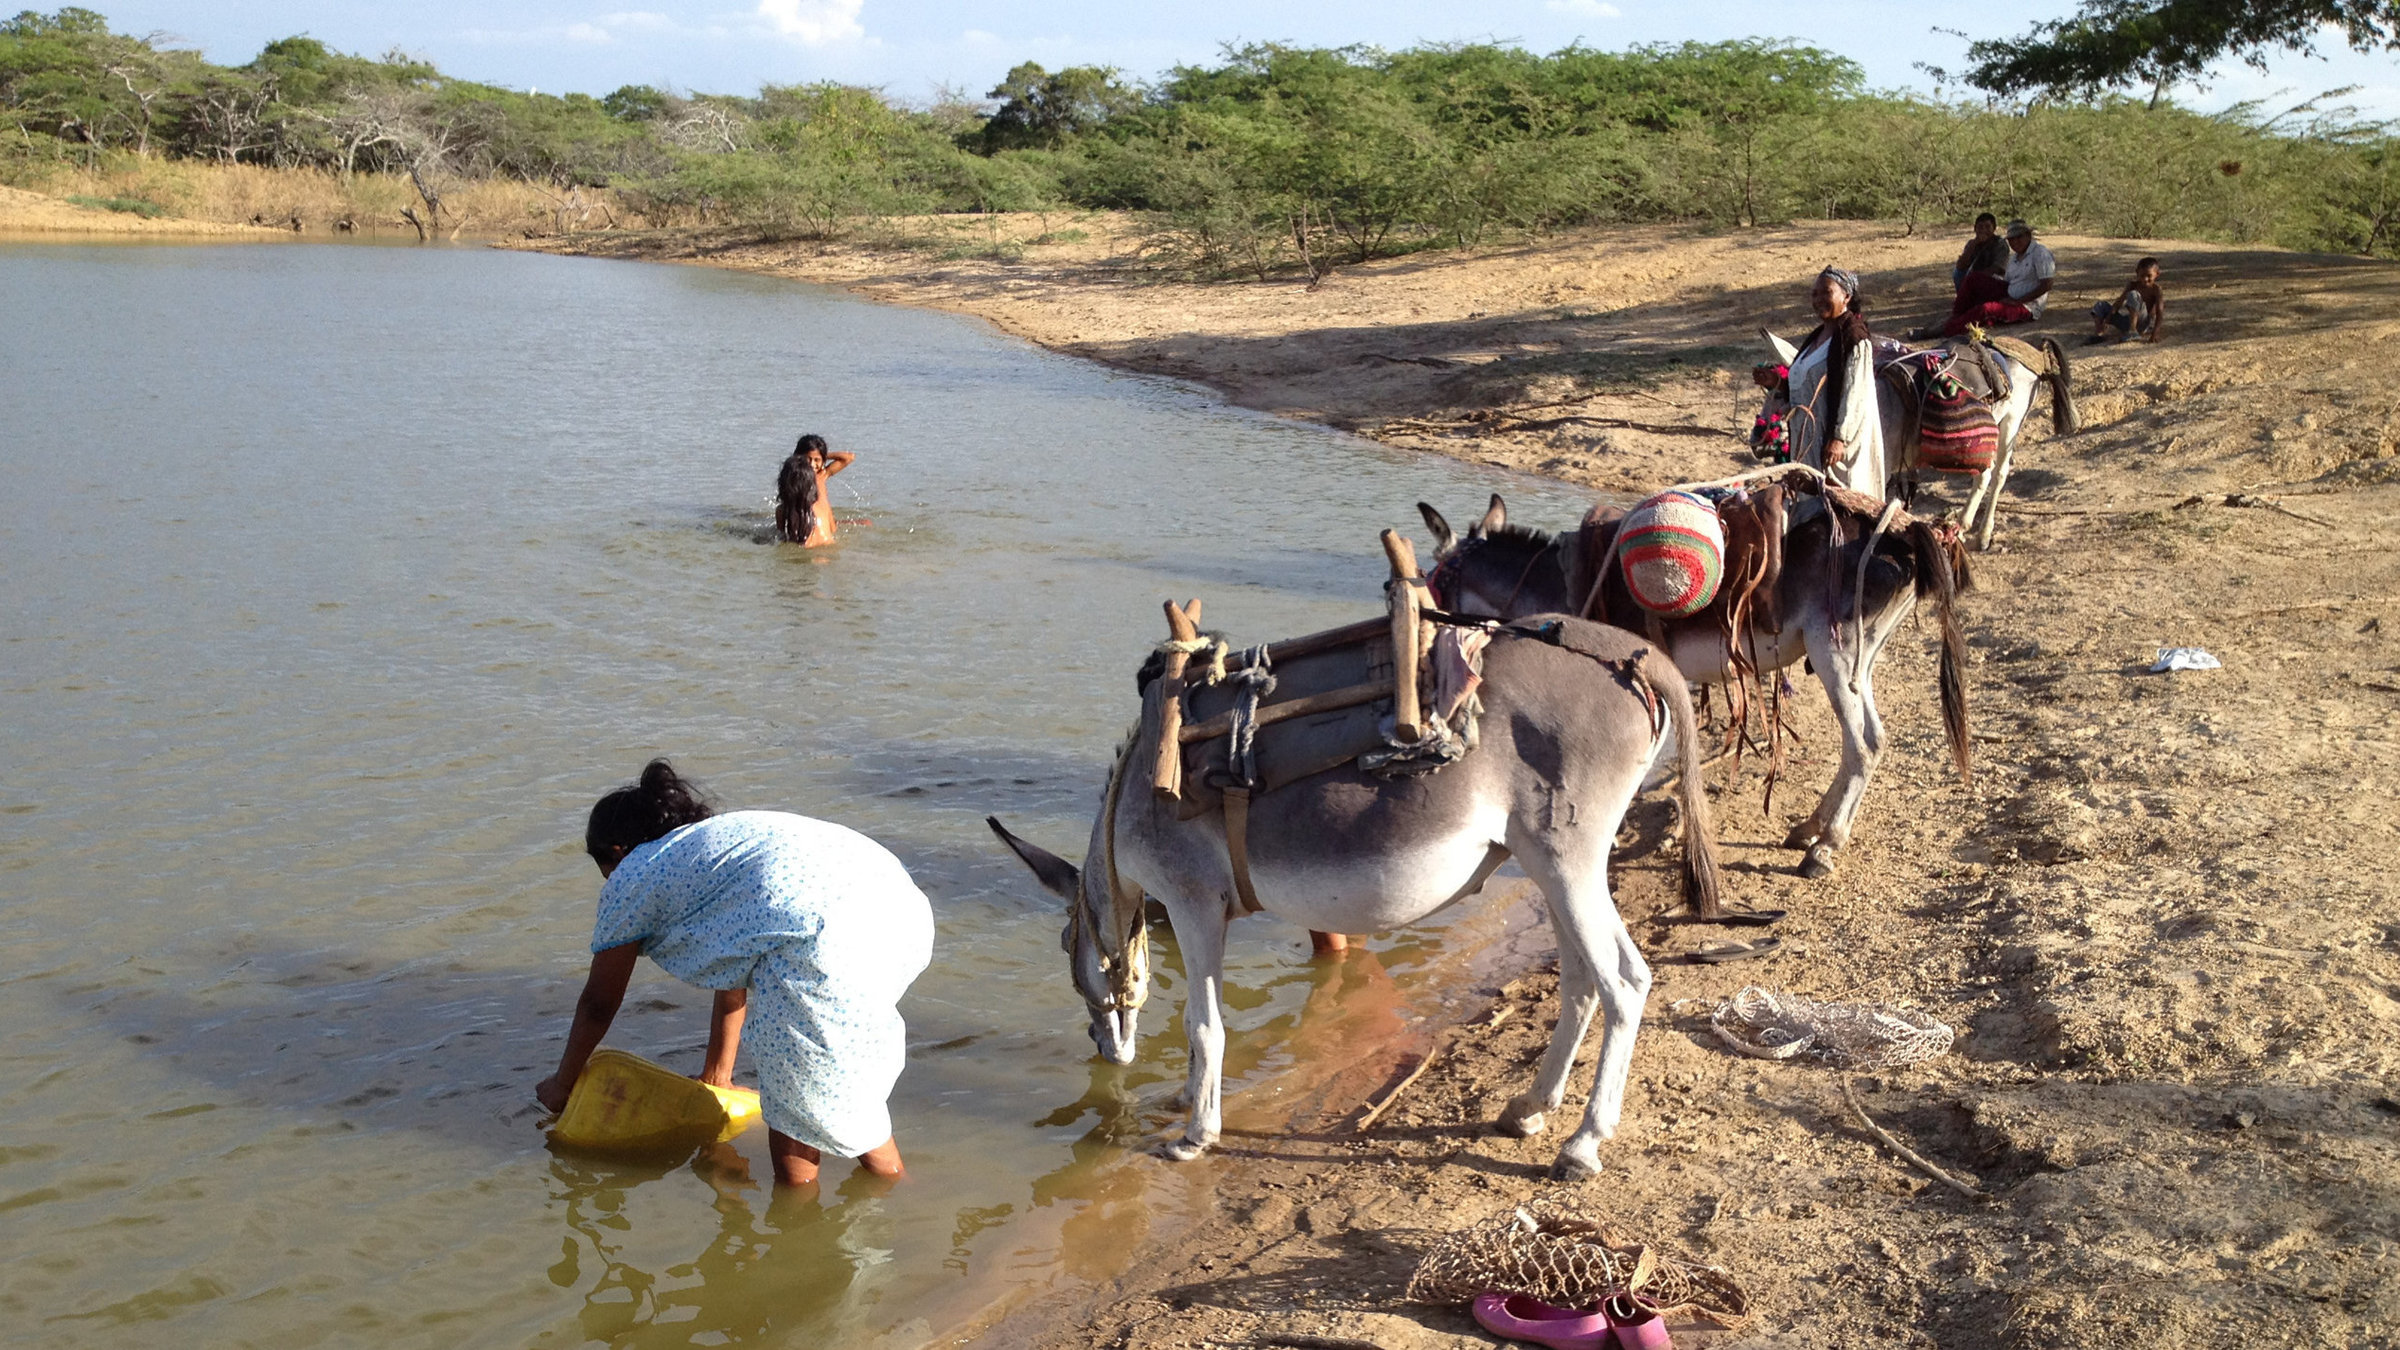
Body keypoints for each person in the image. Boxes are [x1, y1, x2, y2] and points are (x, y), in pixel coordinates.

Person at [536, 760, 935, 1188]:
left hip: (825, 933)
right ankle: (896, 1196)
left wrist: (563, 1083)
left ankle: (797, 1228)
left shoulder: (633, 874)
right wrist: (717, 1078)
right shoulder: (711, 849)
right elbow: (734, 969)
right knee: (840, 1084)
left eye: (605, 872)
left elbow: (599, 1002)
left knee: (795, 1108)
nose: (608, 883)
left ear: (615, 853)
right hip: (898, 910)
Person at [1783, 266, 1887, 499]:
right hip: (1808, 441)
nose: (1819, 299)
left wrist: (1840, 438)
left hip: (1836, 449)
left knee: (1841, 505)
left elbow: (1856, 392)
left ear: (1846, 297)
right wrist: (1777, 384)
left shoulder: (1854, 337)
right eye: (1815, 294)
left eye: (1826, 292)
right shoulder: (1815, 337)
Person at [1939, 219, 2054, 337]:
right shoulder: (2015, 258)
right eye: (2012, 239)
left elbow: (2047, 284)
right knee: (1974, 278)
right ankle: (1956, 316)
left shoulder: (2040, 253)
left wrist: (2017, 301)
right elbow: (2007, 281)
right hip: (2010, 291)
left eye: (2019, 237)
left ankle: (1947, 329)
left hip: (2027, 306)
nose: (2015, 242)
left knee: (1987, 309)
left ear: (2028, 236)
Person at [774, 434, 856, 546]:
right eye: (808, 459)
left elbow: (849, 457)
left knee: (866, 522)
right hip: (817, 523)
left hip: (817, 521)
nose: (812, 464)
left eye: (816, 460)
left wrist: (823, 455)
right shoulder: (796, 478)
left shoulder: (821, 475)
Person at [2089, 256, 2165, 345]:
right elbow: (2118, 303)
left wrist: (2155, 333)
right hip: (2128, 322)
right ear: (2137, 272)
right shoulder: (2132, 285)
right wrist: (2108, 319)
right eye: (2142, 275)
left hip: (2144, 323)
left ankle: (2133, 331)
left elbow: (2160, 314)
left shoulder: (2156, 290)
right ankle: (2099, 333)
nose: (2145, 279)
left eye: (2149, 276)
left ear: (2157, 274)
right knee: (2100, 305)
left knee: (2133, 294)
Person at [1951, 212, 2009, 294]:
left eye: (1988, 227)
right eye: (1980, 227)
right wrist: (1974, 244)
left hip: (1994, 277)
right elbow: (1960, 265)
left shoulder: (2000, 244)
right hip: (1975, 275)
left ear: (1994, 228)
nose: (1984, 230)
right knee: (1957, 273)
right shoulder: (1972, 243)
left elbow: (1997, 267)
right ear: (1975, 229)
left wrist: (1977, 277)